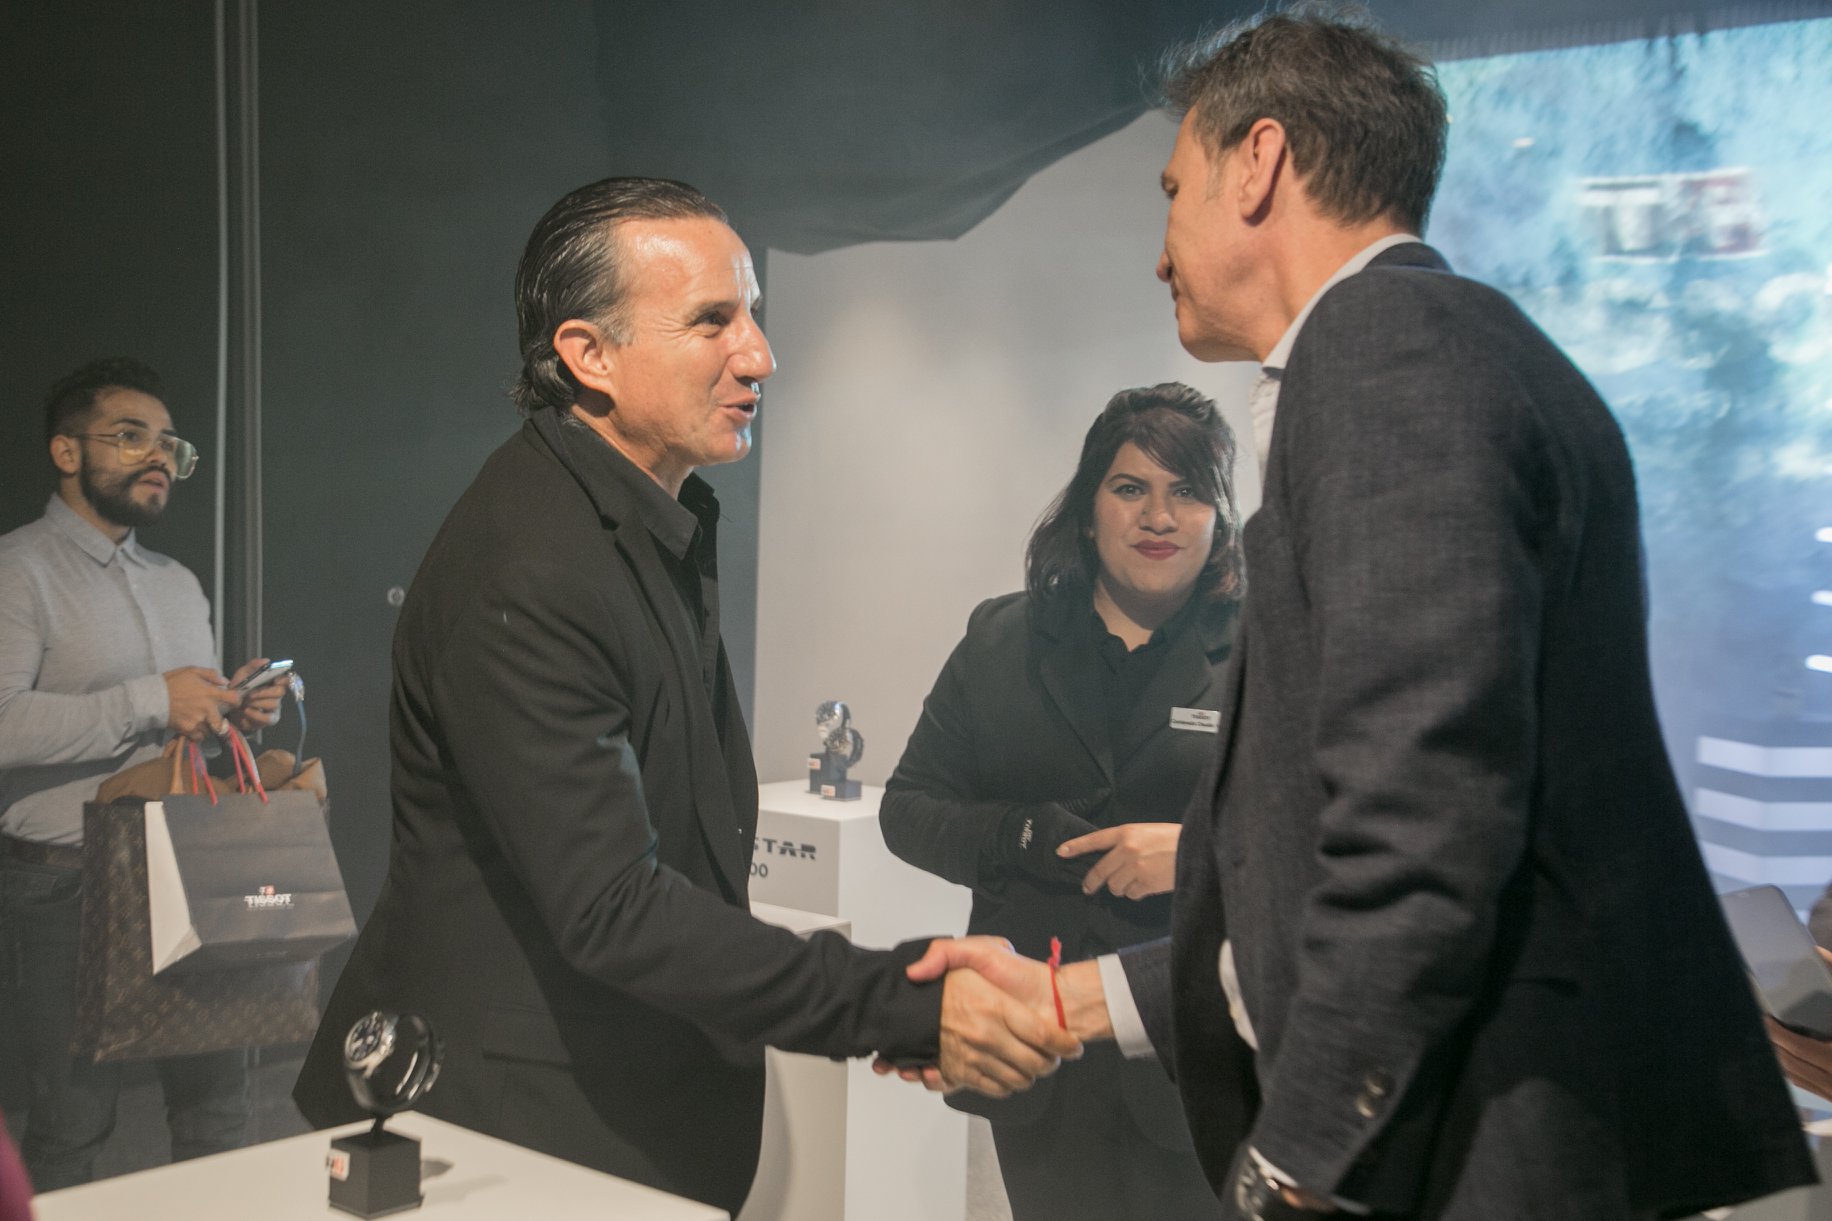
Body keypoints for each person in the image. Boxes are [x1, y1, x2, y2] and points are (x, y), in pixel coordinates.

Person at [901, 9, 1815, 1219]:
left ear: (1257, 163)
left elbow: (1418, 828)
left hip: (1476, 1154)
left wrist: (1300, 1161)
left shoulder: (1383, 355)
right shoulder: (1441, 344)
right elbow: (1310, 869)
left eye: (1169, 192)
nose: (1158, 253)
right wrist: (1072, 1000)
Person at [290, 177, 1078, 1216]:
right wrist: (901, 1005)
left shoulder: (635, 523)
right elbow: (613, 906)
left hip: (609, 1113)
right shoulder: (530, 562)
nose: (760, 355)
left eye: (751, 314)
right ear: (588, 354)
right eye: (712, 320)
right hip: (509, 1135)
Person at [880, 382, 1240, 1220]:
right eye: (1130, 487)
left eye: (1188, 491)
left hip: (1193, 1047)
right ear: (1086, 509)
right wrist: (1019, 832)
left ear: (1220, 517)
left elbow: (1315, 844)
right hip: (1037, 1047)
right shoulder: (1000, 639)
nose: (1158, 516)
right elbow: (909, 807)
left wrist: (1193, 854)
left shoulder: (1264, 650)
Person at [0, 358, 285, 1189]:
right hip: (69, 882)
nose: (158, 455)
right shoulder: (17, 570)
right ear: (66, 451)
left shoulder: (178, 584)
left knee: (218, 1111)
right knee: (72, 1126)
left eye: (168, 443)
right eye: (130, 436)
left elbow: (181, 735)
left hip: (186, 865)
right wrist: (153, 699)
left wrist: (230, 711)